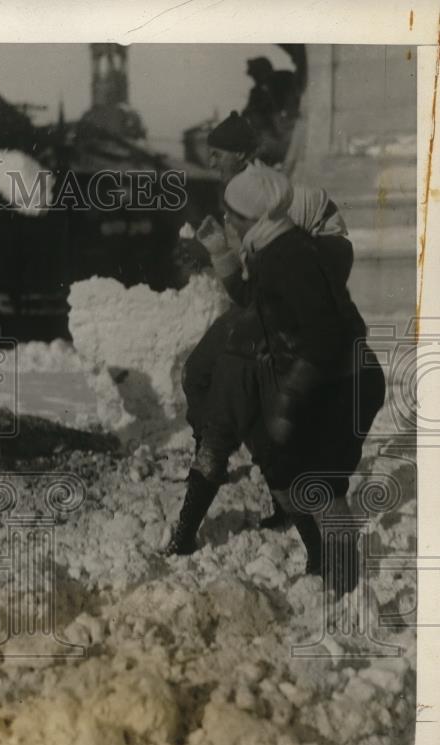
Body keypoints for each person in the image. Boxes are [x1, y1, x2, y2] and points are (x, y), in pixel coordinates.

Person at [166, 165, 386, 595]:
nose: (228, 221)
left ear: (254, 216)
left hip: (346, 381)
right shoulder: (270, 249)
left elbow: (326, 335)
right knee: (287, 470)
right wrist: (221, 252)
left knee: (321, 484)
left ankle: (343, 585)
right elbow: (255, 301)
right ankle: (329, 569)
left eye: (232, 216)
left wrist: (289, 398)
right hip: (327, 376)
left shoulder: (291, 254)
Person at [180, 111, 353, 532]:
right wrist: (216, 249)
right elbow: (242, 281)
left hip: (284, 307)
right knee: (198, 372)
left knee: (235, 381)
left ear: (240, 155)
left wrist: (294, 288)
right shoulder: (238, 196)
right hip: (261, 298)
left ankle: (223, 459)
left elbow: (325, 250)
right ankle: (218, 450)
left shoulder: (277, 194)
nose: (212, 162)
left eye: (218, 154)